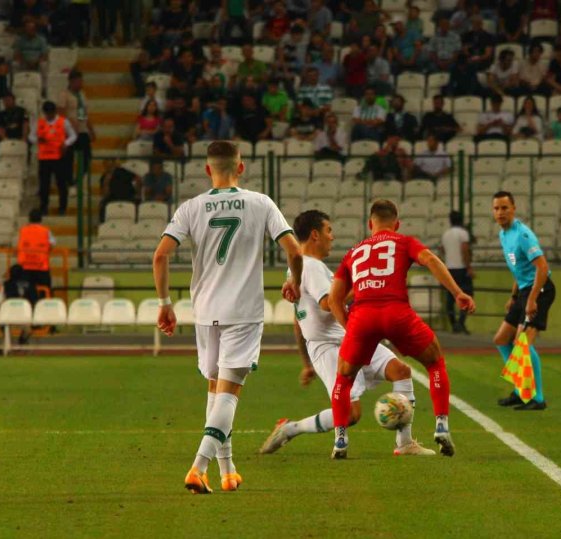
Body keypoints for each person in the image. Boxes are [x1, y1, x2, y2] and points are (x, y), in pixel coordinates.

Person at [153, 141, 304, 493]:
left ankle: (227, 471)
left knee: (215, 391)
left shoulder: (191, 207)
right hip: (243, 311)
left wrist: (164, 302)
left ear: (208, 170)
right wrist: (293, 282)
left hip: (205, 311)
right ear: (242, 167)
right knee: (229, 394)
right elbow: (294, 251)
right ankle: (198, 467)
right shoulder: (260, 202)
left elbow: (160, 256)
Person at [260, 210, 435, 456]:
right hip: (329, 346)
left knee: (401, 371)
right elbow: (328, 303)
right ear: (314, 235)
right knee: (351, 414)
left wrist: (305, 362)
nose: (332, 236)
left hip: (349, 338)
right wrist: (365, 286)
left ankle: (404, 444)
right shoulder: (310, 267)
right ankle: (291, 429)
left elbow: (299, 320)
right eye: (328, 230)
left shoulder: (302, 268)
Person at [327, 199, 476, 458]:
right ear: (396, 224)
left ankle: (340, 440)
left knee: (344, 378)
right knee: (435, 362)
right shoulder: (404, 241)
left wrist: (349, 327)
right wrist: (457, 292)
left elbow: (334, 299)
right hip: (397, 313)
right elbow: (429, 259)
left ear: (369, 224)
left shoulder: (353, 252)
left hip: (362, 317)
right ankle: (441, 424)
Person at [491, 191, 554, 411]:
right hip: (524, 290)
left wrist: (532, 299)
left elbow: (542, 268)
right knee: (501, 339)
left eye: (504, 208)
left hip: (541, 289)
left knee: (522, 344)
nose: (500, 212)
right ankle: (521, 390)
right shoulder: (503, 234)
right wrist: (514, 296)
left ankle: (537, 398)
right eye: (497, 208)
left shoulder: (523, 235)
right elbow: (519, 269)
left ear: (514, 208)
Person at [29, 101, 77, 216]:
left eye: (51, 113)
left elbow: (73, 135)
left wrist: (66, 143)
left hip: (59, 156)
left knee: (61, 183)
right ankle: (44, 207)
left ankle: (62, 208)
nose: (49, 115)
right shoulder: (40, 123)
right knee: (44, 184)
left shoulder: (63, 122)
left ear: (54, 112)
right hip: (44, 157)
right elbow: (31, 136)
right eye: (47, 113)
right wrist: (37, 140)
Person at [58, 70, 95, 186]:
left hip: (81, 129)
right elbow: (61, 112)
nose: (80, 83)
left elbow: (83, 113)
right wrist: (69, 123)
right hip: (69, 132)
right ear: (72, 82)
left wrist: (90, 128)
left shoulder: (81, 95)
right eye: (78, 81)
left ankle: (79, 179)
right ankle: (68, 181)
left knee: (87, 156)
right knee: (68, 158)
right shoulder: (64, 95)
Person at [441, 211, 473, 334]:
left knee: (450, 298)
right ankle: (461, 323)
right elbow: (465, 250)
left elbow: (443, 249)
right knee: (467, 295)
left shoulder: (446, 234)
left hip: (449, 268)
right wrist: (468, 266)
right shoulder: (463, 233)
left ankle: (454, 324)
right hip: (461, 268)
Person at [16, 209, 56, 292]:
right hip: (42, 268)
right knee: (45, 291)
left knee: (26, 292)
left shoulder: (22, 231)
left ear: (29, 219)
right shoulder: (46, 231)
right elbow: (53, 244)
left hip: (25, 268)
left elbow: (19, 245)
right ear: (41, 219)